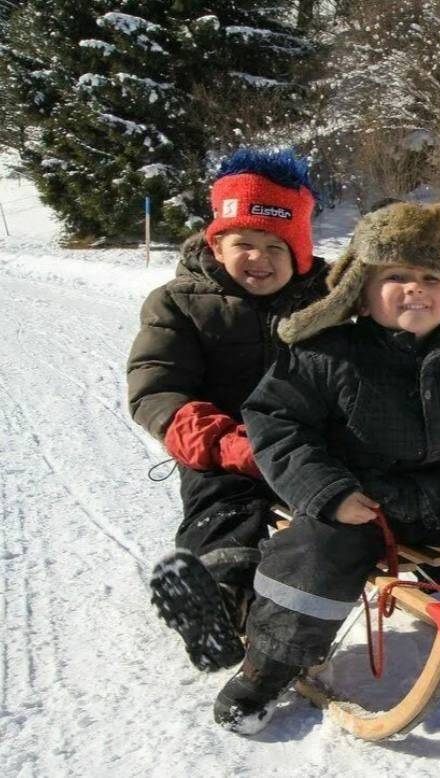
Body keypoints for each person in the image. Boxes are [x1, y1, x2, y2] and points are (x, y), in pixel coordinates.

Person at [217, 201, 440, 734]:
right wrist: (328, 492)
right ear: (361, 289)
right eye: (397, 276)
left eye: (432, 277)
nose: (417, 289)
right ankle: (268, 667)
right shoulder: (326, 354)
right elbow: (277, 422)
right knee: (313, 556)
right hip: (363, 507)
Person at [126, 148, 328, 673]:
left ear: (301, 253)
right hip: (225, 445)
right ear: (217, 244)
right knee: (225, 505)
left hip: (311, 444)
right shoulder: (180, 303)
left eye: (274, 247)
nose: (257, 258)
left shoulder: (327, 303)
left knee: (387, 488)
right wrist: (222, 443)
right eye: (243, 243)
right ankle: (218, 598)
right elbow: (157, 389)